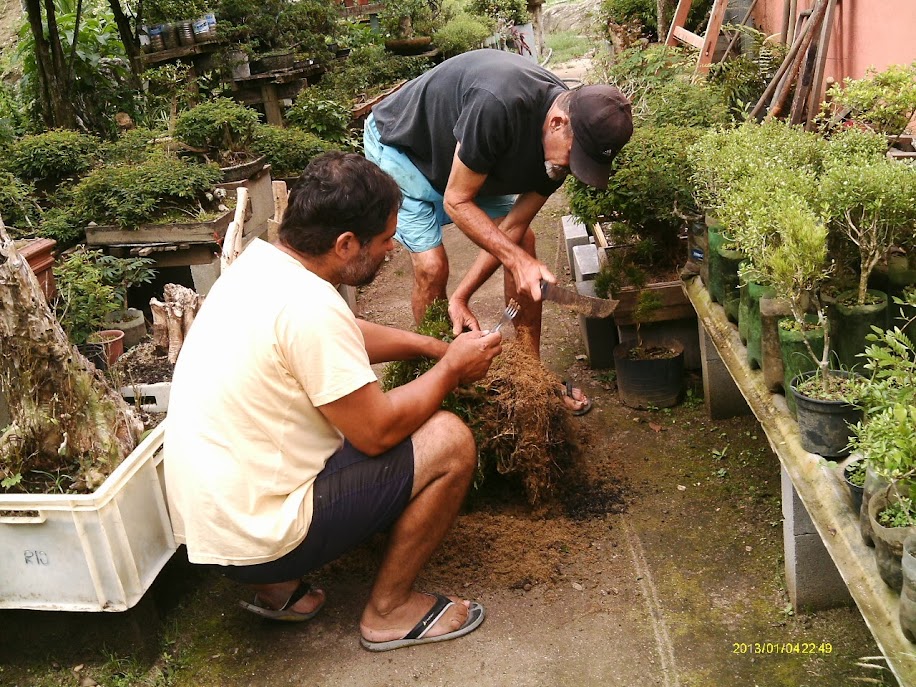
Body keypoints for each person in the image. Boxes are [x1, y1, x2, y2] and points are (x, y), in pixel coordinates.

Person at [164, 152, 502, 651]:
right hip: (262, 539)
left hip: (211, 534)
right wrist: (451, 369)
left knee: (319, 416)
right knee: (449, 439)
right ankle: (389, 611)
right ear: (346, 244)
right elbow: (378, 431)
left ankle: (280, 592)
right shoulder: (310, 308)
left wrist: (431, 347)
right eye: (387, 239)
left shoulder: (261, 265)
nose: (393, 249)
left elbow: (342, 333)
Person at [365, 49, 633, 415]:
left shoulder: (560, 152)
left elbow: (514, 228)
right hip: (405, 147)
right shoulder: (499, 103)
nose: (573, 168)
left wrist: (462, 297)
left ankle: (530, 375)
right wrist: (516, 261)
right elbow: (457, 201)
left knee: (523, 243)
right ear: (556, 122)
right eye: (575, 155)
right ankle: (442, 375)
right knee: (431, 266)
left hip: (461, 160)